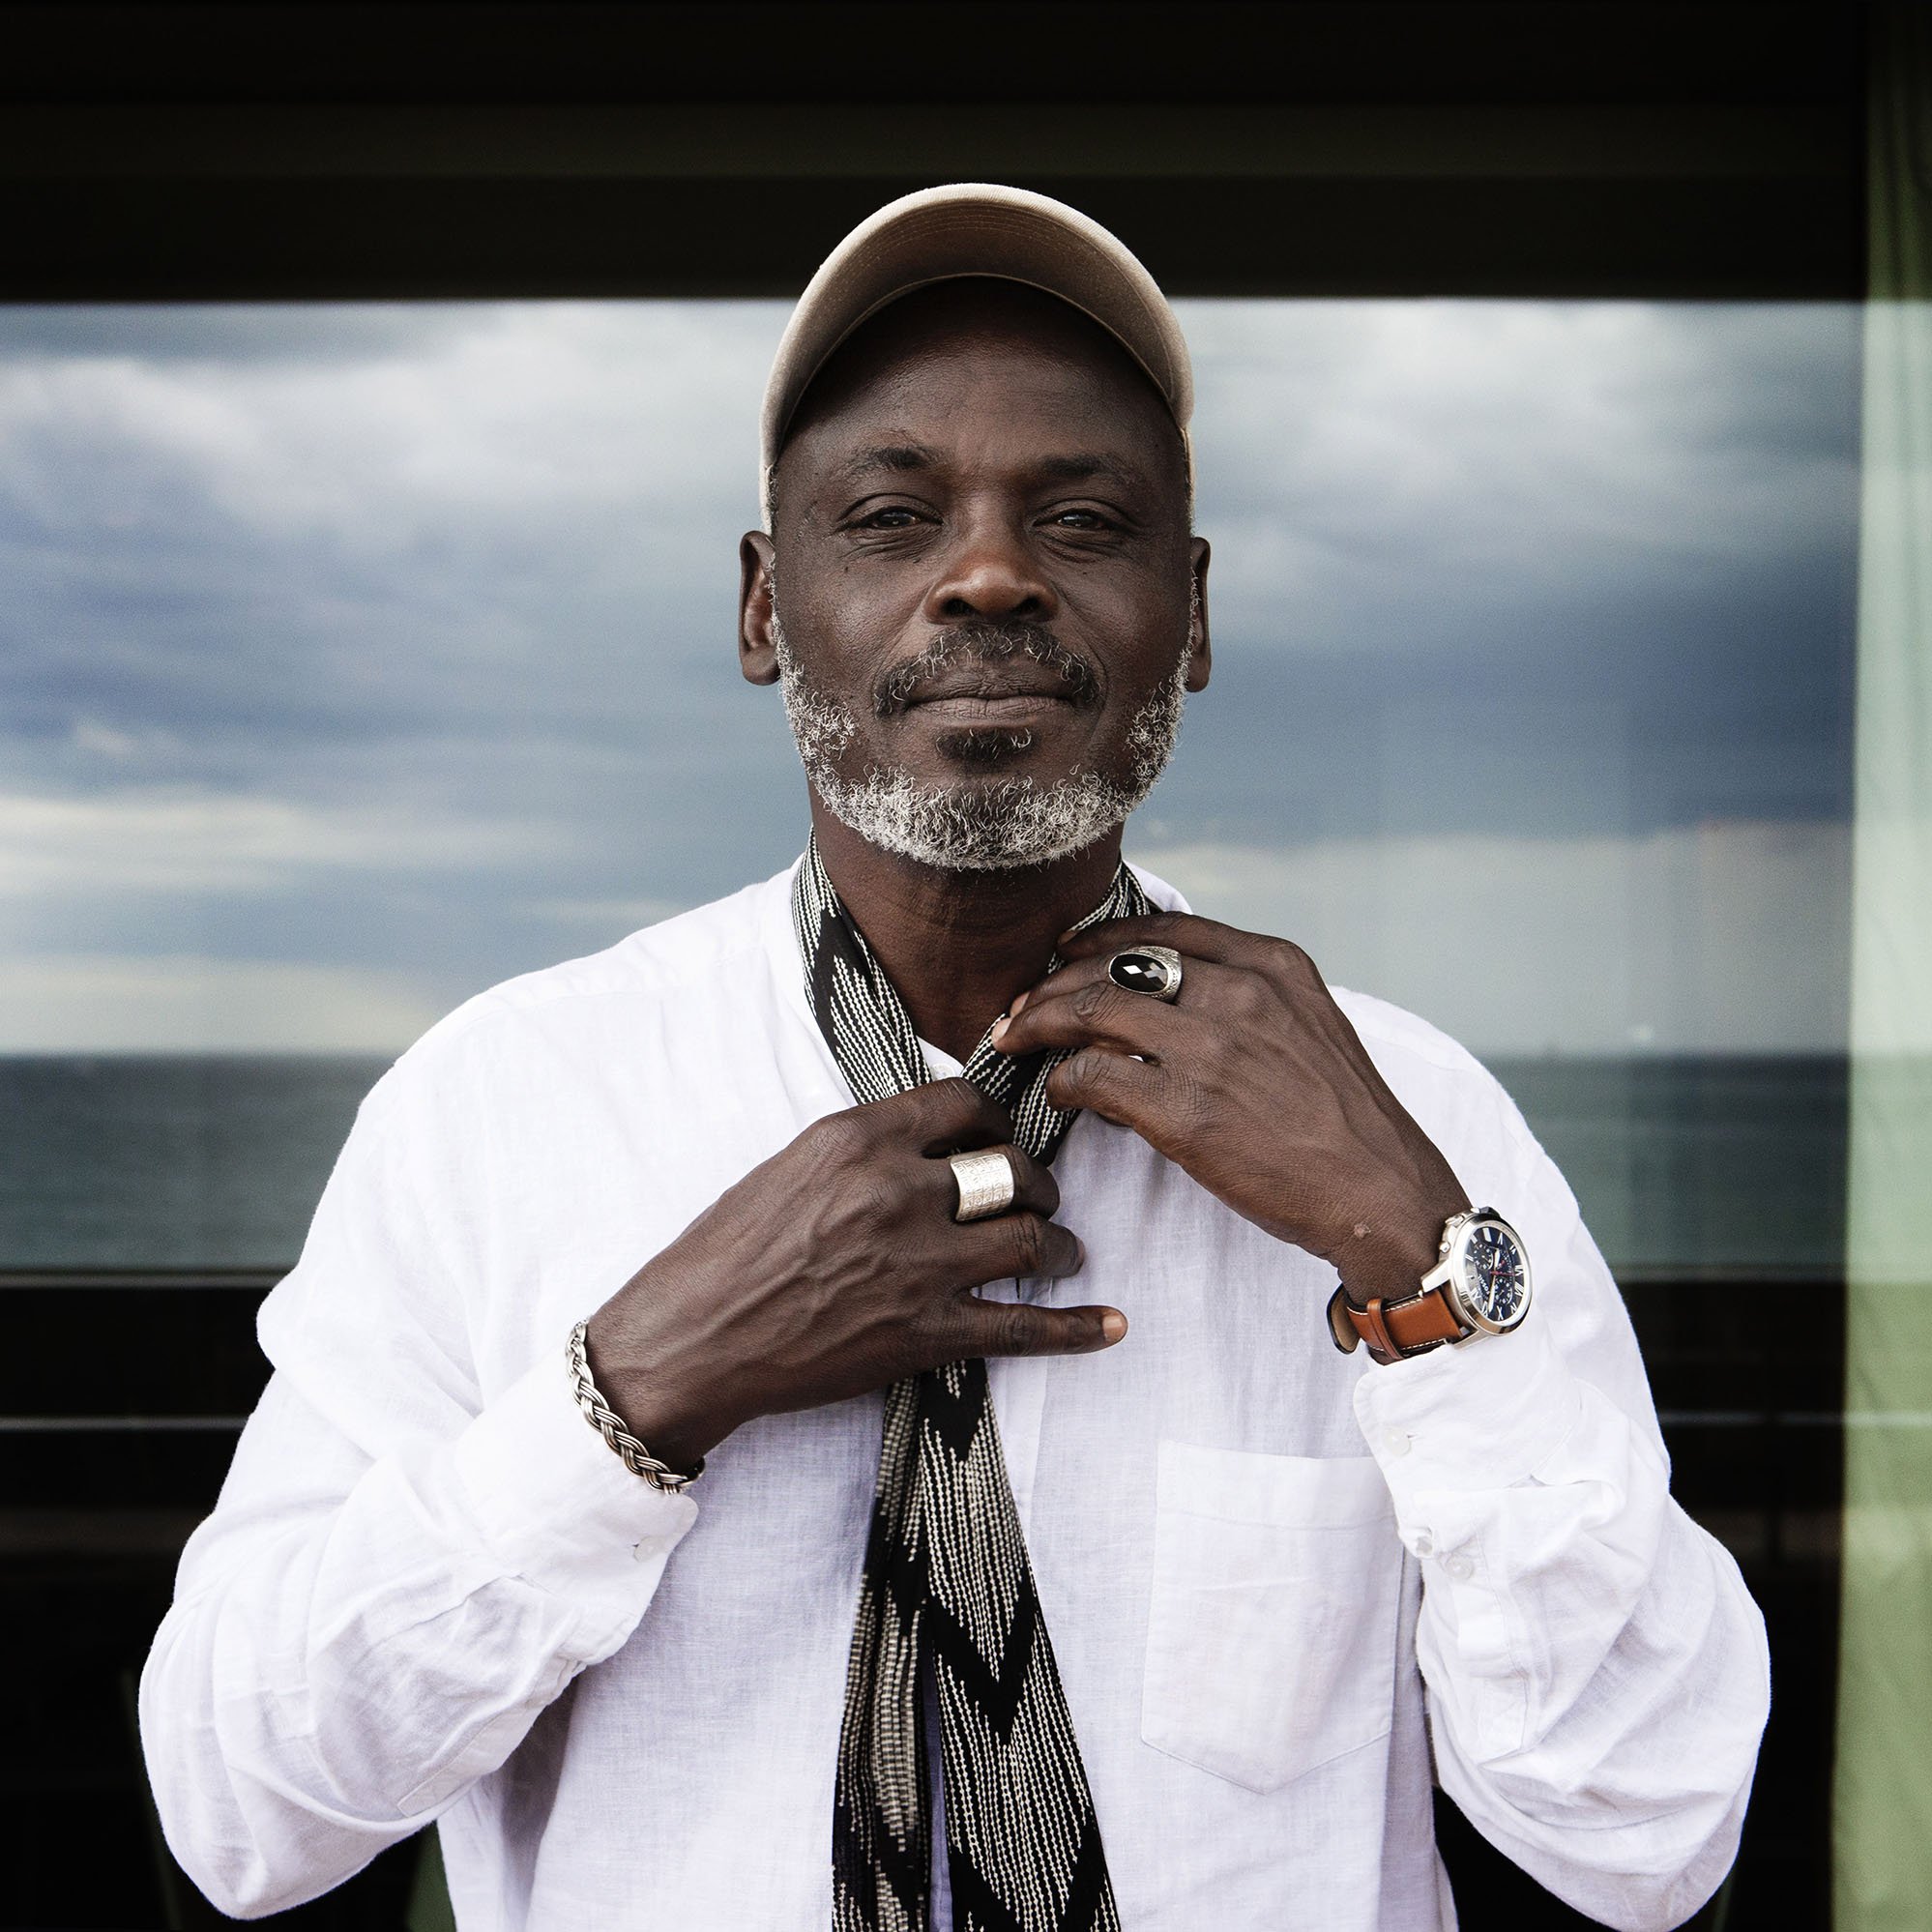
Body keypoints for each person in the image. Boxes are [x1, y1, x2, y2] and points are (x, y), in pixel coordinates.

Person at [140, 185, 1769, 1932]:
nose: (987, 574)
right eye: (892, 515)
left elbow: (1647, 1835)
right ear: (767, 607)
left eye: (1080, 517)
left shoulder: (1413, 1120)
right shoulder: (502, 1108)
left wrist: (1419, 1275)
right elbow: (243, 1814)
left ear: (1191, 619)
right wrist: (632, 1393)